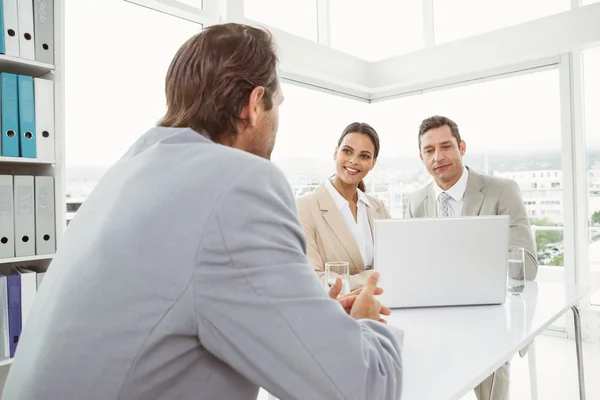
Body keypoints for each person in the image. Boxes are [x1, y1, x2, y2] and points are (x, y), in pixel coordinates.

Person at [2, 24, 404, 400]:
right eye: (278, 104)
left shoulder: (126, 174)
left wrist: (309, 319)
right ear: (255, 104)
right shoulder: (241, 184)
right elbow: (363, 387)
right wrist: (365, 323)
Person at [406, 115, 538, 400]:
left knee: (492, 383)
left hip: (489, 318)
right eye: (429, 150)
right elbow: (413, 268)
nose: (438, 157)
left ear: (462, 147)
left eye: (446, 146)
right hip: (435, 318)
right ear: (421, 156)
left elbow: (526, 264)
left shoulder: (501, 191)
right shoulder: (416, 201)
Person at [296, 122, 390, 291]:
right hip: (335, 312)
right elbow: (313, 279)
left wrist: (352, 278)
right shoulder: (305, 207)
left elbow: (397, 266)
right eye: (347, 151)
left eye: (364, 156)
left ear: (373, 163)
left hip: (380, 308)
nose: (353, 161)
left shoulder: (378, 208)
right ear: (335, 153)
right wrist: (370, 276)